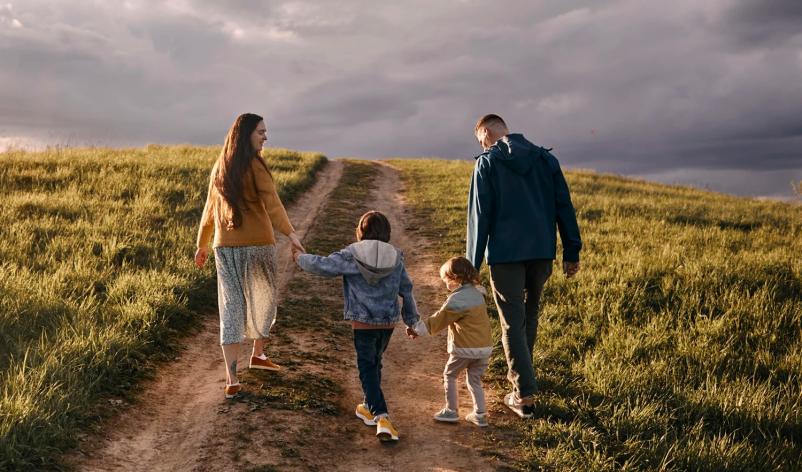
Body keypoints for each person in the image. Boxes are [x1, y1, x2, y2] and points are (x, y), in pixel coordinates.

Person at [467, 114, 582, 418]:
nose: (481, 144)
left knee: (511, 322)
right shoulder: (545, 160)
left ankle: (524, 395)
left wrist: (471, 266)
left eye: (480, 138)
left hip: (506, 256)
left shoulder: (487, 163)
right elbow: (563, 206)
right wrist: (572, 251)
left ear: (487, 131)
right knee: (529, 316)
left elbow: (480, 218)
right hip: (542, 253)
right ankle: (523, 379)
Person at [194, 113, 305, 399]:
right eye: (261, 132)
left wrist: (202, 244)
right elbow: (273, 204)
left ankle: (233, 377)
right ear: (246, 135)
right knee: (263, 301)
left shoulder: (220, 166)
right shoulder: (255, 165)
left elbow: (209, 210)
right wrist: (291, 235)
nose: (265, 136)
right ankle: (257, 354)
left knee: (231, 308)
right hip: (257, 245)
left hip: (224, 247)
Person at [292, 211, 419, 442]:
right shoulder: (396, 256)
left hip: (362, 323)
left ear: (361, 231)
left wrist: (300, 258)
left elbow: (325, 266)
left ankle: (382, 417)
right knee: (375, 363)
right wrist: (411, 321)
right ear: (387, 232)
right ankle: (368, 407)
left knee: (367, 367)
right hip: (387, 322)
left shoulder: (352, 254)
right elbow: (406, 290)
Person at [408, 256, 493, 427]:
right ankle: (480, 414)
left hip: (466, 348)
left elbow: (439, 320)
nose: (445, 284)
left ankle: (451, 411)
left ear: (455, 278)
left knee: (450, 374)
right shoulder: (479, 294)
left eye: (446, 280)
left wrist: (417, 329)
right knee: (474, 379)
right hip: (484, 348)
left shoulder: (457, 300)